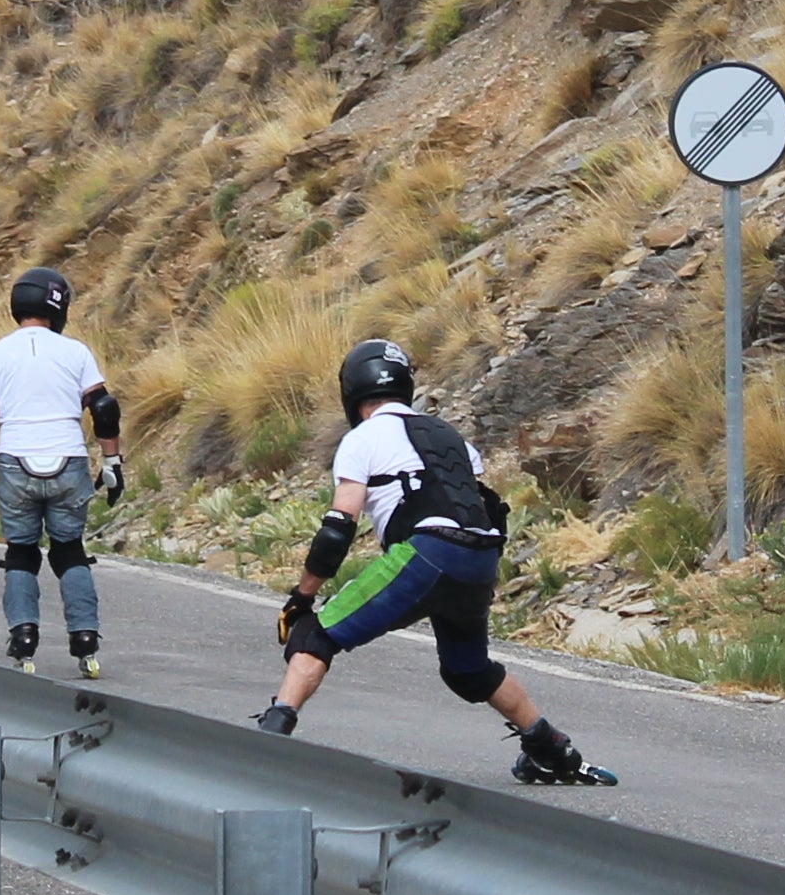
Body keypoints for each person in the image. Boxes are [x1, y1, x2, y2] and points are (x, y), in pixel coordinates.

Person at [251, 336, 611, 789]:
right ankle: (553, 751)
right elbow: (478, 502)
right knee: (468, 670)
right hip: (479, 559)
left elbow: (337, 528)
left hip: (427, 553)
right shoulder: (447, 435)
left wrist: (301, 598)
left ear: (352, 393)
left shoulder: (361, 440)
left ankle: (271, 737)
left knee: (315, 635)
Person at [0, 264, 123, 679]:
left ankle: (24, 637)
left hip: (16, 460)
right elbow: (103, 408)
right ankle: (85, 639)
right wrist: (112, 462)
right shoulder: (75, 352)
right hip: (67, 459)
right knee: (69, 550)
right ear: (58, 305)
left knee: (22, 553)